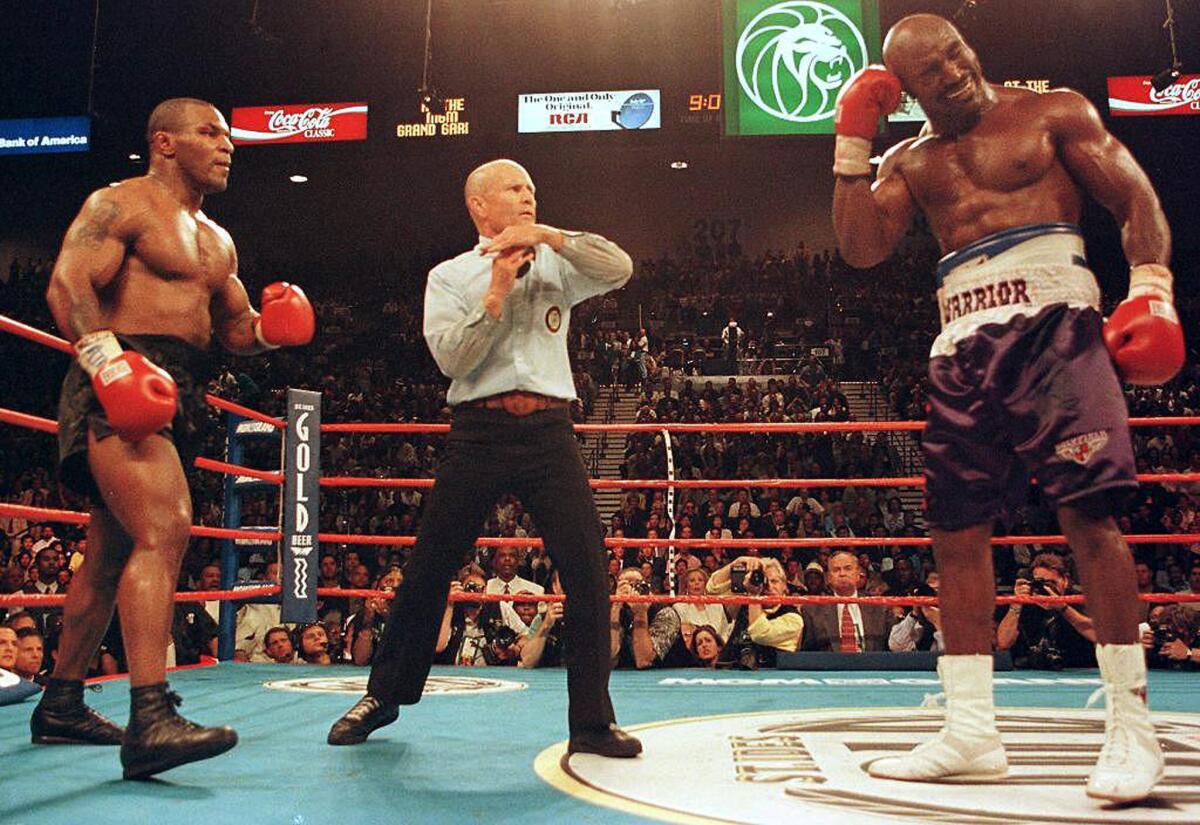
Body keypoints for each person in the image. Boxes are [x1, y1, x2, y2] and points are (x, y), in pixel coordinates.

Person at [830, 15, 1183, 801]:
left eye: (955, 54)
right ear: (909, 90)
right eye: (932, 71)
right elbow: (861, 247)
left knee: (1090, 515)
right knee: (955, 533)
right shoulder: (909, 160)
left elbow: (1133, 197)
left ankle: (1132, 727)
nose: (953, 72)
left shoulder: (1051, 111)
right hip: (962, 342)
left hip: (1058, 328)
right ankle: (970, 731)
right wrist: (851, 143)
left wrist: (1151, 287)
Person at [30, 97, 315, 780]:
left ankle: (62, 701)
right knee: (166, 528)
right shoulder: (120, 204)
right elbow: (67, 283)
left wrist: (274, 327)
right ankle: (150, 715)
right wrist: (107, 362)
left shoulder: (218, 240)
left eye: (227, 135)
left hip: (179, 388)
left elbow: (235, 326)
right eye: (209, 133)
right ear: (164, 141)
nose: (227, 145)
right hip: (118, 371)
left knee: (109, 555)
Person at [328, 158, 640, 758]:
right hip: (477, 429)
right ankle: (384, 694)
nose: (528, 195)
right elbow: (452, 360)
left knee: (587, 569)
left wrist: (548, 236)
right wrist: (496, 290)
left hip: (550, 430)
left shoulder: (557, 260)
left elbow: (620, 267)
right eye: (514, 189)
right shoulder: (449, 276)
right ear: (479, 205)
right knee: (428, 567)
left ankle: (592, 723)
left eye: (531, 186)